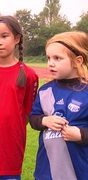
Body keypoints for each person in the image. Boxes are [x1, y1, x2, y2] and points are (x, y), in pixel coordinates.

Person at [0, 16, 39, 180]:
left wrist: (8, 127)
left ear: (17, 38)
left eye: (4, 36)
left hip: (11, 146)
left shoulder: (29, 75)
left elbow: (27, 113)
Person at [29, 31, 88, 180]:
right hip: (46, 171)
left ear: (78, 61)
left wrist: (80, 134)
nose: (51, 63)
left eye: (57, 58)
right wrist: (44, 120)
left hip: (79, 171)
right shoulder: (45, 91)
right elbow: (33, 118)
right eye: (49, 58)